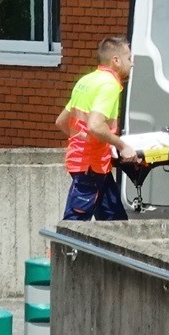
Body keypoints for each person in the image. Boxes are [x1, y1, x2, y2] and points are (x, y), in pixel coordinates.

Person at [55, 35, 136, 221]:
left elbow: (61, 122)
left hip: (93, 164)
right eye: (129, 58)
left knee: (116, 223)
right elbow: (95, 125)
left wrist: (84, 140)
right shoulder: (109, 85)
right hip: (90, 166)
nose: (132, 64)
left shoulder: (86, 81)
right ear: (116, 60)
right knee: (74, 225)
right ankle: (60, 251)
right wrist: (122, 146)